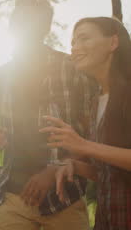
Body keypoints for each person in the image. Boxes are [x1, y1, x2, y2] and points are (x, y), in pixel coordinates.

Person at [0, 0, 95, 230]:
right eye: (18, 19)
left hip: (66, 198)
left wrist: (54, 170)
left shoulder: (73, 69)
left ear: (46, 27)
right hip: (13, 199)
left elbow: (92, 137)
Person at [42, 17, 131, 230]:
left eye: (84, 39)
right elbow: (109, 173)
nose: (74, 48)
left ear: (113, 43)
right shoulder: (95, 102)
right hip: (108, 219)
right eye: (72, 42)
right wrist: (76, 166)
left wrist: (84, 145)